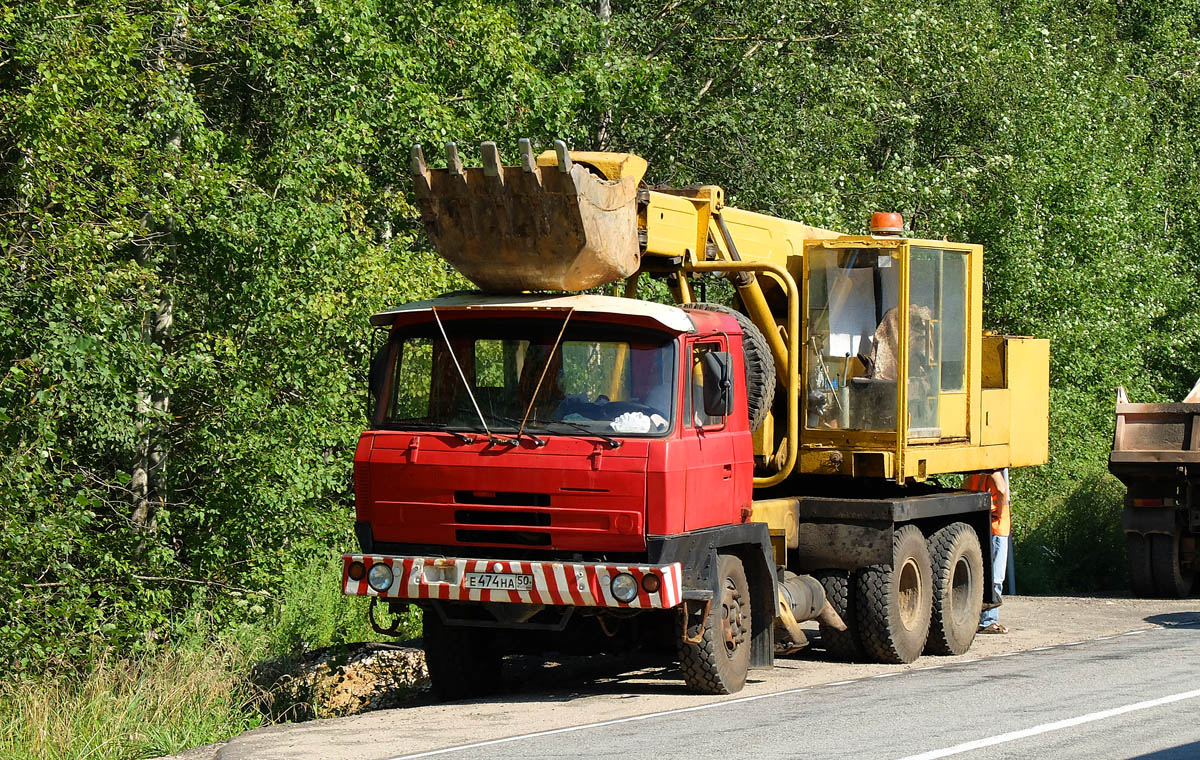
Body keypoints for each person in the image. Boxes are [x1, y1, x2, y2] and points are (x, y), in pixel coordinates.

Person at [964, 468, 1010, 634]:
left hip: (981, 524)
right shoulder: (994, 470)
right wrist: (999, 512)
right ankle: (988, 621)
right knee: (996, 577)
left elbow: (966, 489)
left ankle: (978, 619)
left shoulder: (975, 471)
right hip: (996, 527)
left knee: (982, 575)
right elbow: (1002, 490)